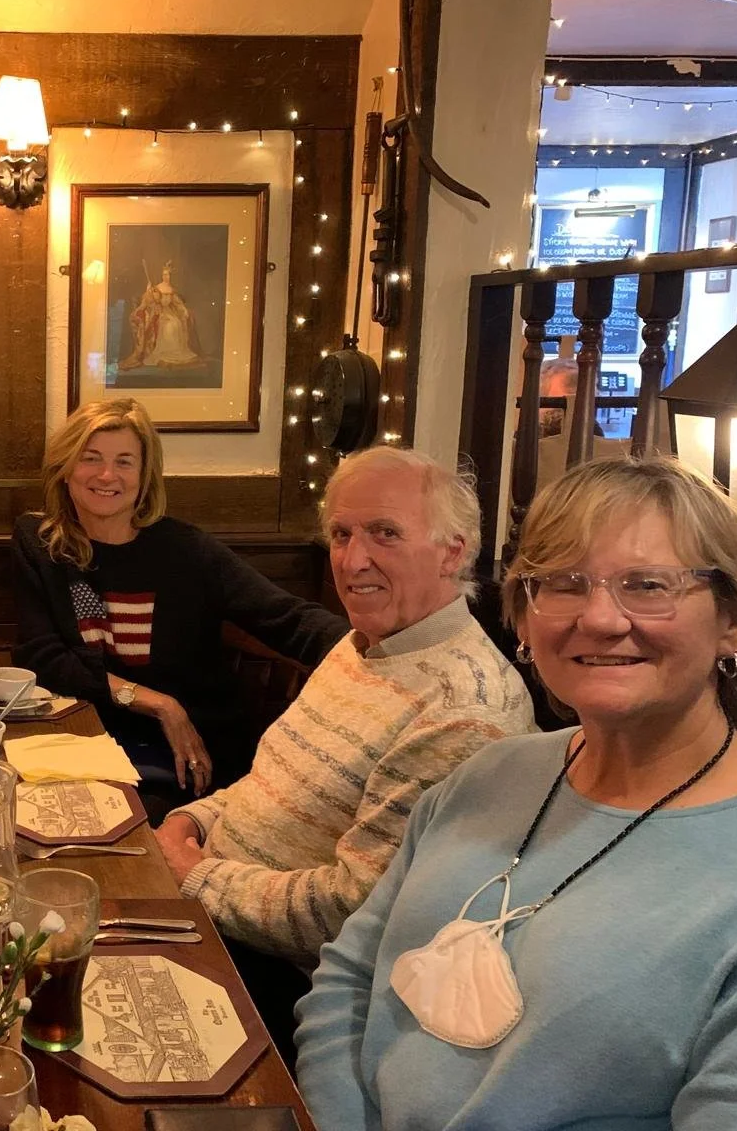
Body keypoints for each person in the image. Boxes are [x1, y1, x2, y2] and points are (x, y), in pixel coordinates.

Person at [296, 454, 737, 1129]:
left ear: (735, 619)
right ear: (524, 617)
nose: (601, 618)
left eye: (647, 585)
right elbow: (347, 978)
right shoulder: (486, 778)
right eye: (564, 584)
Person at [154, 445, 535, 1062]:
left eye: (385, 533)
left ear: (453, 551)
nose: (354, 560)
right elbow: (271, 783)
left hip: (293, 991)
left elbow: (350, 915)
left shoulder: (466, 710)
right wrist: (190, 820)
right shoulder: (365, 641)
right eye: (340, 533)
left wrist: (193, 877)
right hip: (217, 919)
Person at [12, 397, 348, 817]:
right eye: (90, 458)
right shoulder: (41, 543)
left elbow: (286, 617)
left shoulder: (187, 550)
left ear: (144, 475)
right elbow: (43, 656)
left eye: (124, 462)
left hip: (190, 753)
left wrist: (379, 650)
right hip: (93, 743)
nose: (106, 475)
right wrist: (157, 703)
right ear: (65, 469)